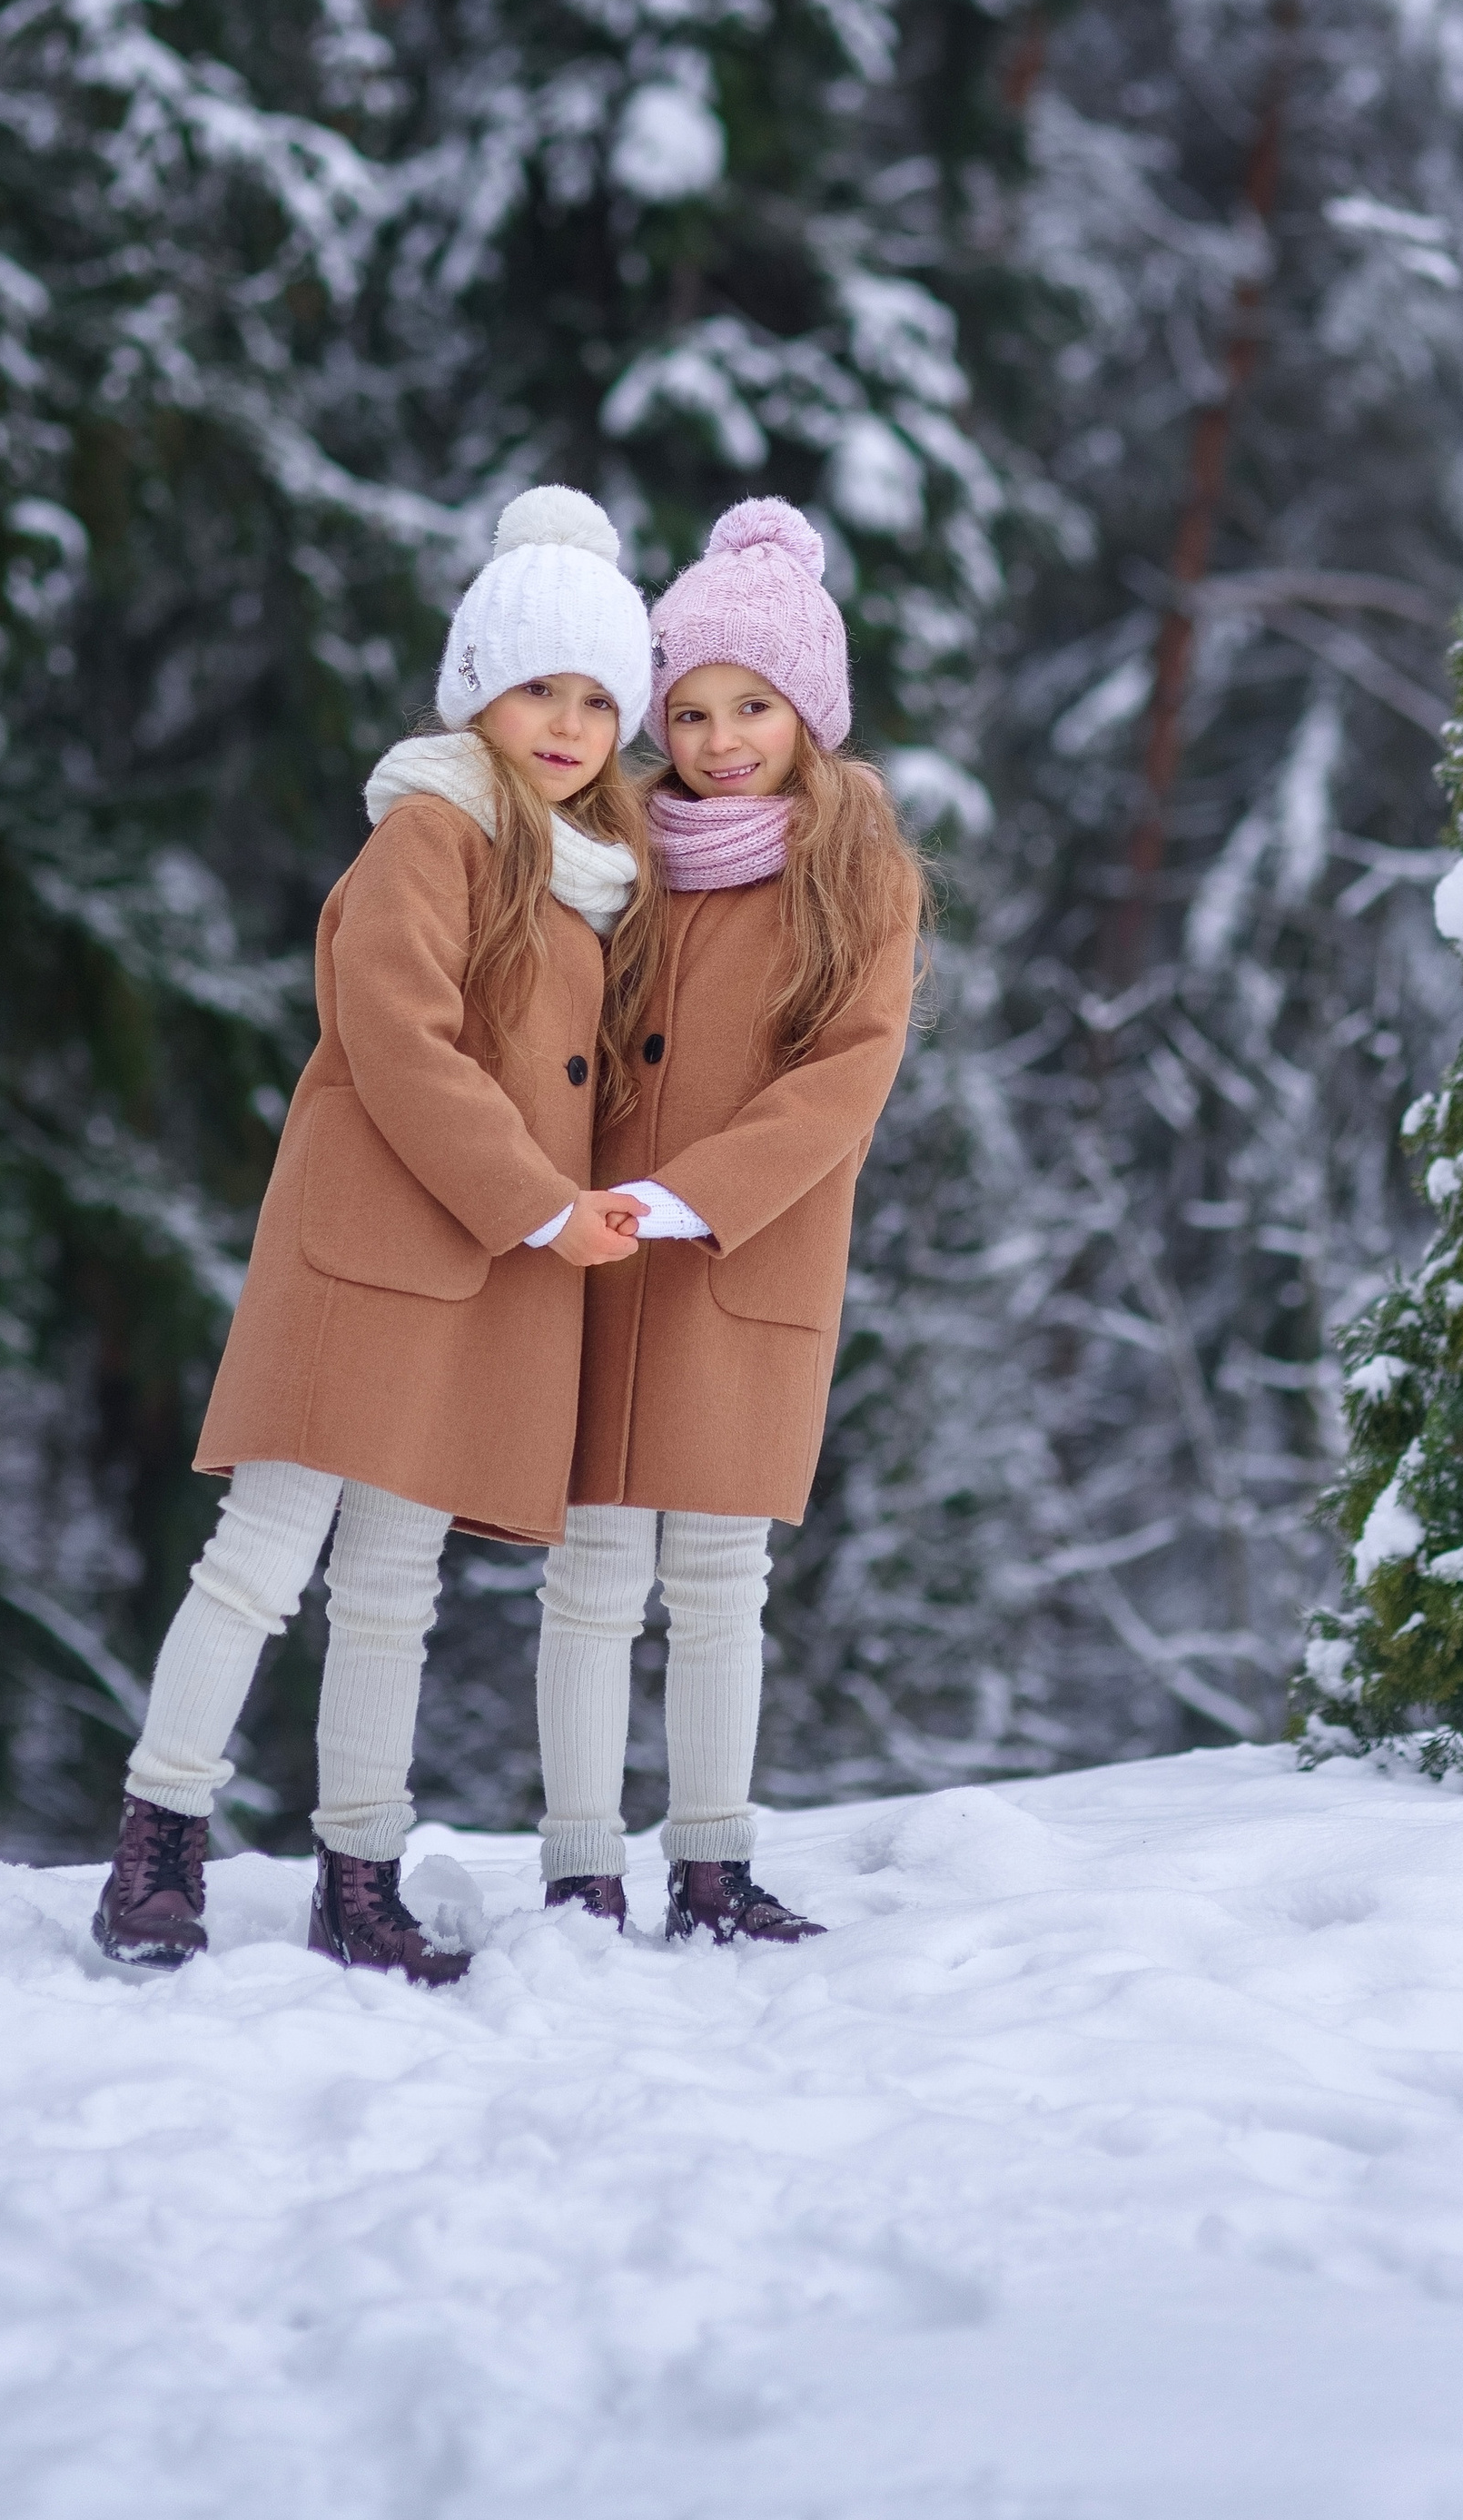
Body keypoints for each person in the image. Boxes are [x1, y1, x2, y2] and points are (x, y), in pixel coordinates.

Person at [94, 487, 657, 1984]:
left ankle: (362, 1868)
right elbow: (400, 1042)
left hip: (481, 1279)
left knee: (392, 1588)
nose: (568, 722)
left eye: (601, 699)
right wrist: (540, 1202)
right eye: (542, 685)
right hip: (376, 1247)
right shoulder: (432, 829)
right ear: (478, 683)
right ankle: (157, 1842)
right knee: (261, 1557)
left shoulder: (593, 879)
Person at [534, 498, 929, 1942]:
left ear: (805, 710)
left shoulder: (854, 869)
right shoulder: (611, 848)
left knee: (714, 1577)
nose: (717, 739)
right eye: (689, 710)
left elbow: (851, 1069)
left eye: (749, 705)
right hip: (594, 1250)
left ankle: (711, 1863)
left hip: (738, 1257)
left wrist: (700, 1192)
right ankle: (580, 1863)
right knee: (589, 1576)